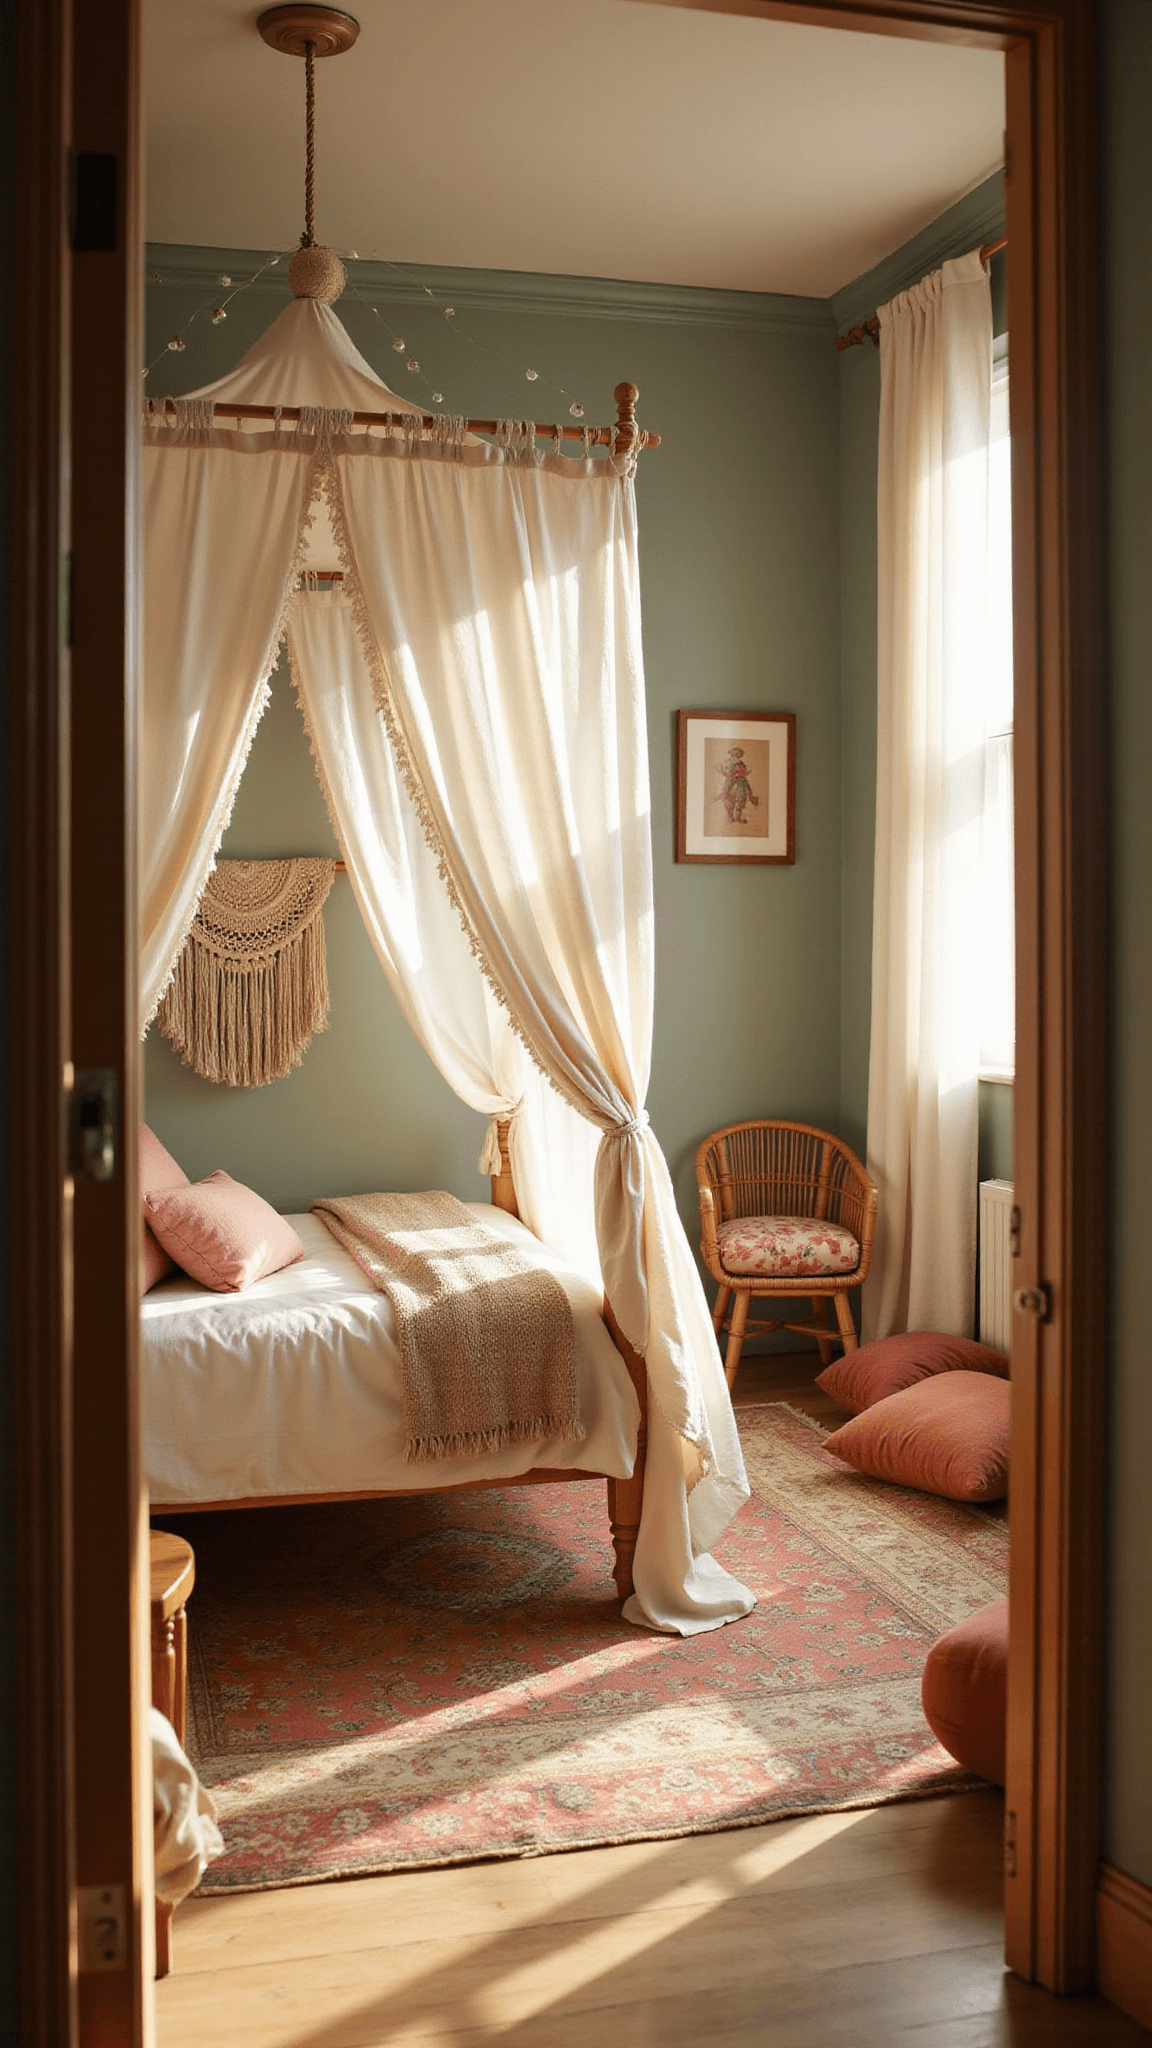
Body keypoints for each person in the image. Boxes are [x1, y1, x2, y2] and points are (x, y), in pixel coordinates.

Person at [713, 745, 760, 825]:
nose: (736, 756)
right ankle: (731, 817)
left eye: (738, 754)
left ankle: (737, 818)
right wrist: (729, 774)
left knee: (739, 803)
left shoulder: (741, 764)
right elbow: (726, 771)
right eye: (734, 754)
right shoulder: (728, 763)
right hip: (731, 783)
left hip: (740, 785)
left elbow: (743, 772)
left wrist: (741, 774)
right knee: (729, 801)